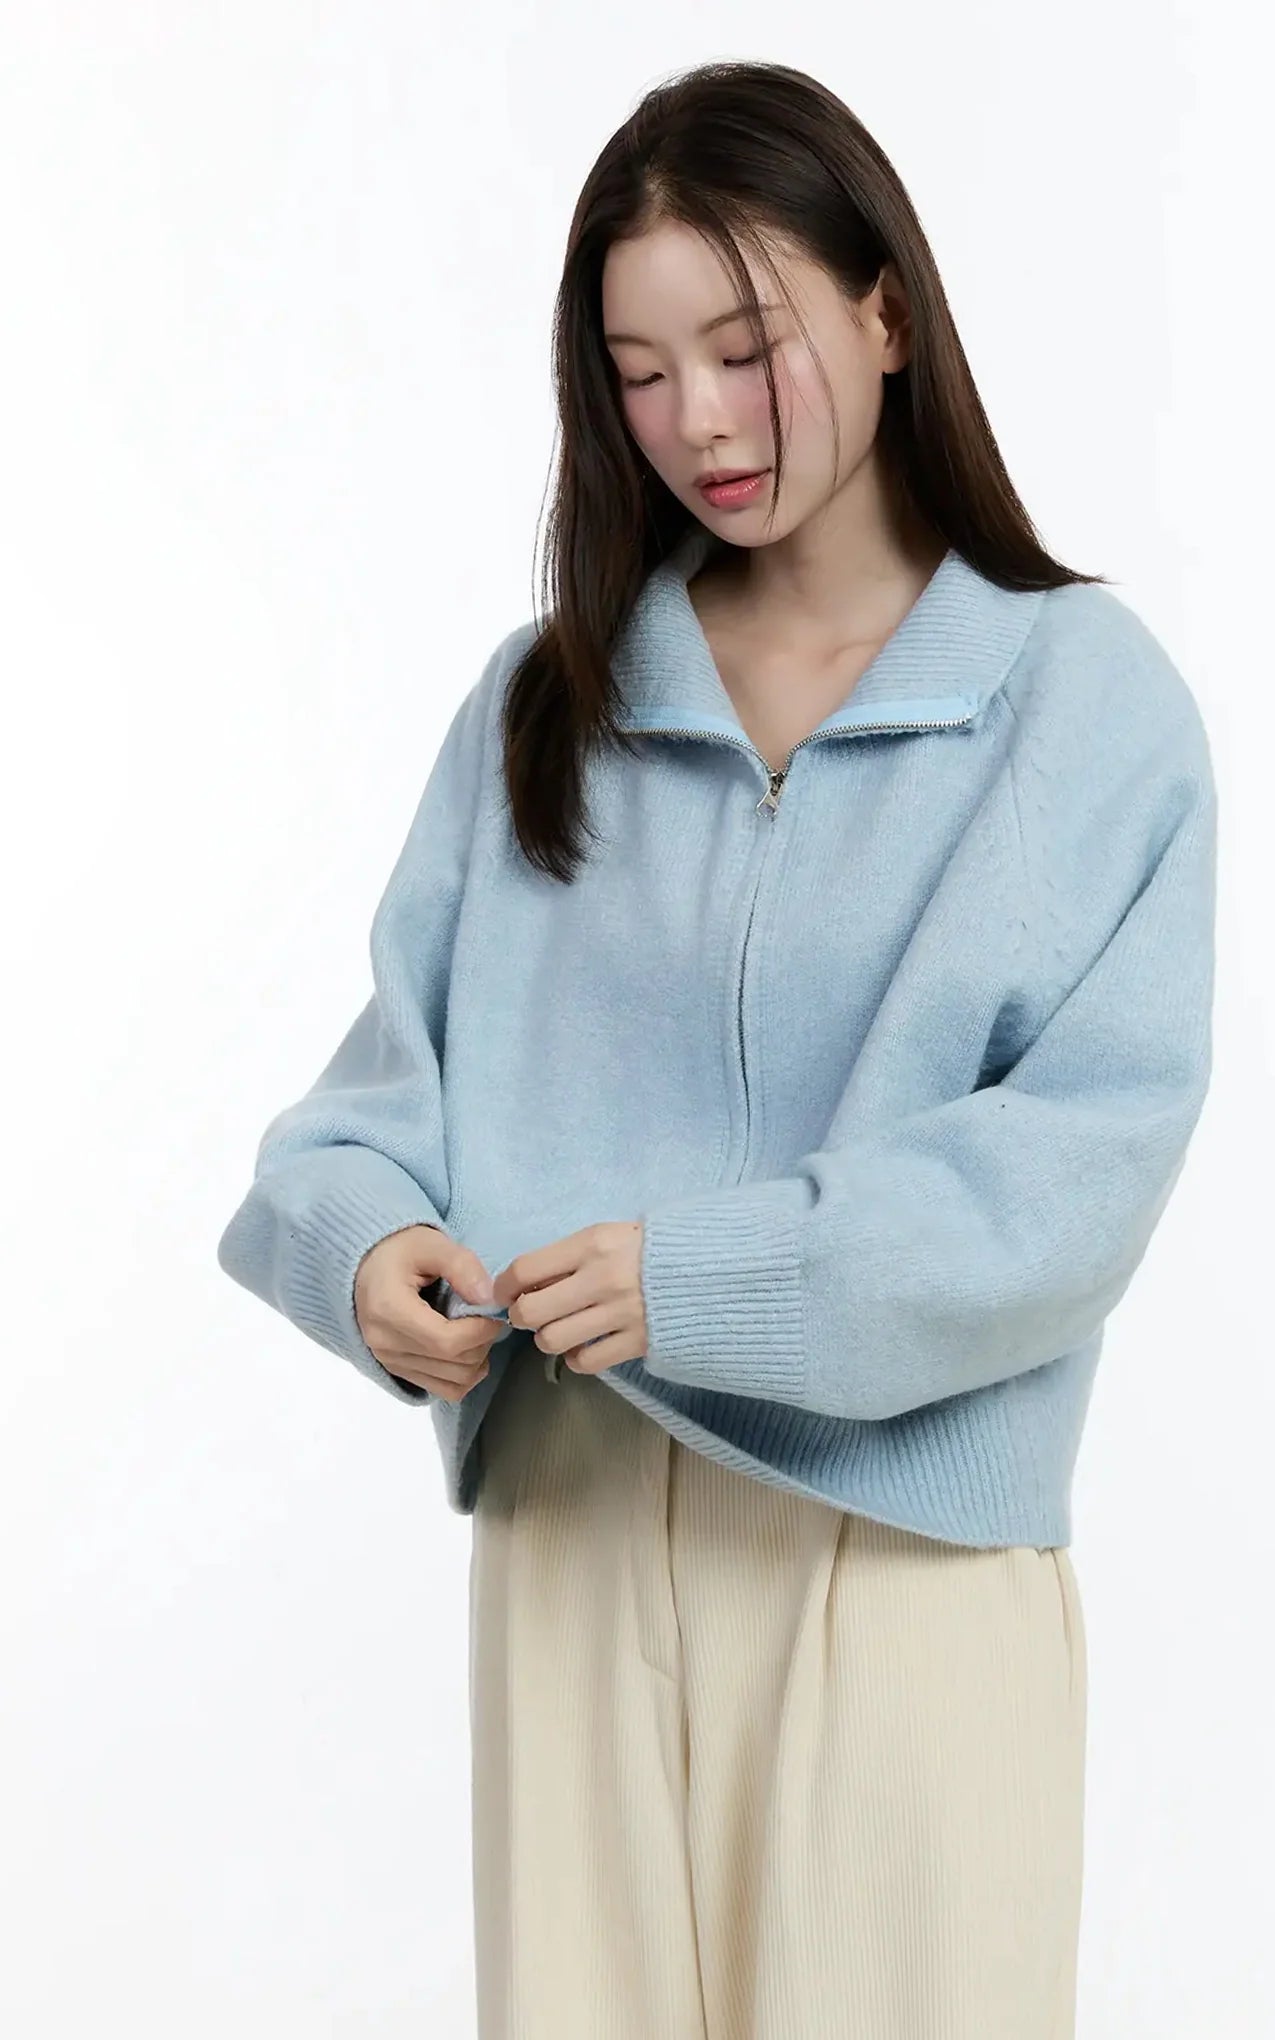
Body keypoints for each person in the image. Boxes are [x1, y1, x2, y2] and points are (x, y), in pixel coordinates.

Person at [217, 57, 1216, 2040]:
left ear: (886, 312)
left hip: (902, 1560)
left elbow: (1075, 1177)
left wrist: (708, 1279)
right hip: (576, 1537)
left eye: (747, 349)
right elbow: (379, 1102)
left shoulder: (1080, 703)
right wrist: (365, 1251)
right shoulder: (550, 704)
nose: (699, 422)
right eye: (639, 373)